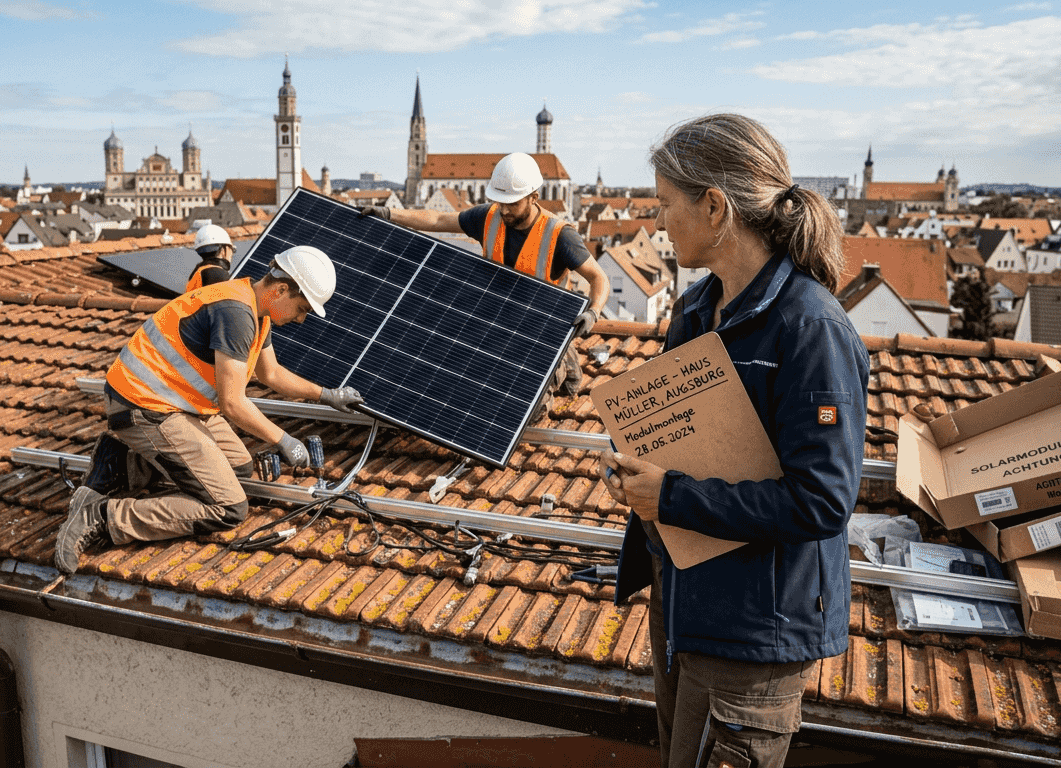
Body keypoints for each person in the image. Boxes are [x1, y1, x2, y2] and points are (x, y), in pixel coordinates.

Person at [599, 114, 868, 768]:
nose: (658, 220)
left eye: (665, 204)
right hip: (687, 604)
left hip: (755, 634)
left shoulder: (810, 330)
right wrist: (638, 472)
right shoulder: (697, 310)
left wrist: (674, 496)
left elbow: (821, 504)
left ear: (714, 207)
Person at [56, 245, 365, 574]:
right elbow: (233, 404)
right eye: (301, 308)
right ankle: (100, 515)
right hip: (143, 405)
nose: (301, 318)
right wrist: (283, 440)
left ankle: (124, 460)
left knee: (239, 469)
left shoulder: (255, 308)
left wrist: (327, 395)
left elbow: (270, 374)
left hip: (176, 402)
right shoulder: (235, 313)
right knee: (228, 506)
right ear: (281, 290)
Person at [359, 152, 609, 398]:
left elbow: (599, 278)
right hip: (500, 324)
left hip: (542, 332)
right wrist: (389, 214)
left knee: (540, 400)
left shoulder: (560, 235)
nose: (505, 210)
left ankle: (563, 364)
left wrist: (593, 311)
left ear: (534, 197)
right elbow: (437, 219)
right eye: (501, 202)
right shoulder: (489, 217)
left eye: (512, 203)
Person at [185, 223, 235, 293]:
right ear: (223, 250)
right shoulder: (218, 274)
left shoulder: (197, 272)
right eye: (232, 249)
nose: (232, 254)